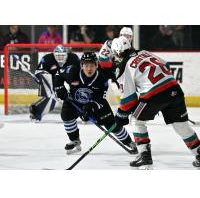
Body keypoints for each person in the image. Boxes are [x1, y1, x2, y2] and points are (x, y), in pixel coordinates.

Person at [110, 36, 200, 169]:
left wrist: (120, 116)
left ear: (117, 52)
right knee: (181, 125)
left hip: (154, 95)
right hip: (174, 88)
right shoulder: (144, 52)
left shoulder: (123, 66)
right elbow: (166, 65)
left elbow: (128, 99)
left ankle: (145, 156)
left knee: (136, 120)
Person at [54, 52, 138, 154]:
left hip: (94, 104)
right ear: (81, 65)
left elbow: (101, 100)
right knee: (66, 116)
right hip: (74, 101)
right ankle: (74, 140)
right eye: (86, 65)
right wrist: (59, 88)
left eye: (92, 66)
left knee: (112, 125)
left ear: (96, 65)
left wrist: (91, 107)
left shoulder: (102, 79)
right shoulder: (72, 71)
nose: (89, 69)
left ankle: (129, 142)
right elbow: (58, 74)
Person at [29, 45, 80, 121]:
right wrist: (41, 78)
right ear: (54, 55)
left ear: (66, 55)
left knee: (77, 95)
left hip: (70, 81)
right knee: (52, 98)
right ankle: (36, 112)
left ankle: (83, 113)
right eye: (58, 56)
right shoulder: (47, 58)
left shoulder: (73, 58)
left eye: (62, 56)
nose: (60, 58)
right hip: (54, 83)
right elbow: (38, 71)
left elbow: (80, 71)